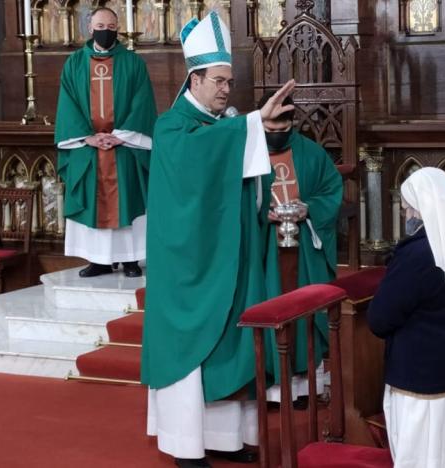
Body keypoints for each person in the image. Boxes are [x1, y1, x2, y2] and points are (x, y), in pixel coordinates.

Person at [141, 11, 295, 468]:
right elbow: (197, 163)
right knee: (190, 349)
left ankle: (225, 438)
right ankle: (185, 445)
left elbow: (237, 176)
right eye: (219, 81)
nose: (227, 89)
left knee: (229, 345)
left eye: (230, 81)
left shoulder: (221, 123)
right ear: (195, 78)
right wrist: (250, 124)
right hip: (187, 264)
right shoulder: (172, 127)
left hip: (226, 257)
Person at [367, 167, 445, 468]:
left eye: (409, 207)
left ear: (423, 209)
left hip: (425, 382)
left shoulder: (418, 255)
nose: (406, 214)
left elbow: (379, 318)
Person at [54, 6, 156, 278]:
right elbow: (68, 105)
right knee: (94, 202)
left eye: (111, 27)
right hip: (89, 148)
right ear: (90, 28)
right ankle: (99, 260)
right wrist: (89, 137)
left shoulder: (133, 63)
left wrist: (120, 136)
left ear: (118, 28)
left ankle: (131, 259)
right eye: (101, 26)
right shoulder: (75, 63)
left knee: (129, 198)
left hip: (123, 146)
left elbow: (142, 103)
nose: (106, 31)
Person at [258, 91, 343, 406]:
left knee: (305, 310)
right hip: (265, 251)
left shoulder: (311, 153)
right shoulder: (247, 154)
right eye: (270, 131)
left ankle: (305, 388)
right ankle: (271, 389)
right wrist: (257, 210)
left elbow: (332, 190)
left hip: (304, 249)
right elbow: (228, 197)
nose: (277, 137)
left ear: (293, 124)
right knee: (267, 307)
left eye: (284, 131)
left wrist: (310, 208)